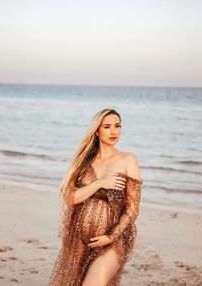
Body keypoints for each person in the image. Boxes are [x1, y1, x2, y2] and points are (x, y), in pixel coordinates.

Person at [48, 108, 143, 286]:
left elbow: (132, 209)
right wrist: (99, 183)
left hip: (111, 242)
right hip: (79, 241)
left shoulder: (127, 160)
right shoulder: (83, 161)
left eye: (117, 126)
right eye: (107, 126)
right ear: (97, 131)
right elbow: (70, 197)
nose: (114, 131)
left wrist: (111, 236)